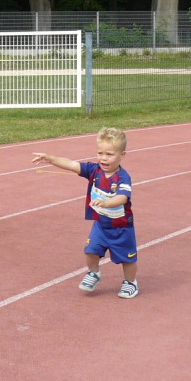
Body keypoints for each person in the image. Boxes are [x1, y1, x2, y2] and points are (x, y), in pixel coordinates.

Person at [31, 127, 139, 299]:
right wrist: (50, 159)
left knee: (127, 259)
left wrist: (106, 203)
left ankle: (130, 282)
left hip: (121, 227)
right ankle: (94, 273)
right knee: (90, 250)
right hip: (101, 225)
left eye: (109, 154)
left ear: (122, 155)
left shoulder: (122, 178)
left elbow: (122, 198)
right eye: (100, 153)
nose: (103, 158)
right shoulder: (93, 170)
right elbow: (72, 164)